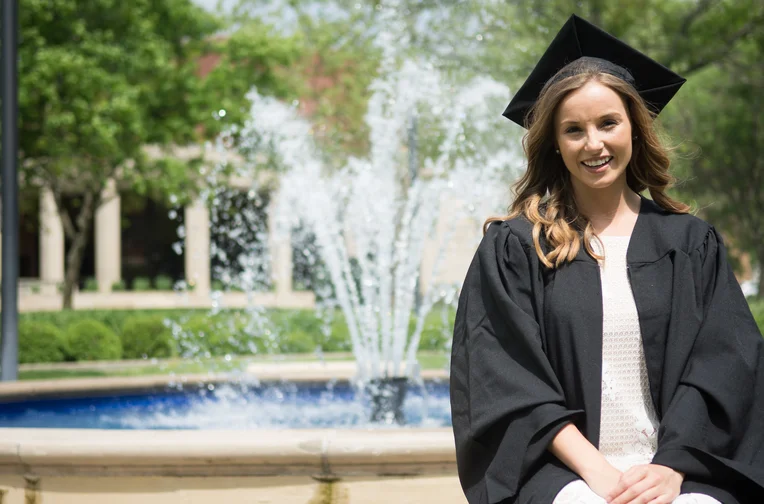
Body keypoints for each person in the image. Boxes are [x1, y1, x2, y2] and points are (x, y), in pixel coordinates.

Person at [450, 14, 764, 504]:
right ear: (555, 143)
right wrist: (599, 476)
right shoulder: (518, 248)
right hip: (561, 472)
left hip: (679, 471)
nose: (593, 143)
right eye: (574, 129)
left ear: (634, 129)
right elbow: (507, 381)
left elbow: (724, 369)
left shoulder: (690, 243)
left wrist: (669, 469)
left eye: (608, 123)